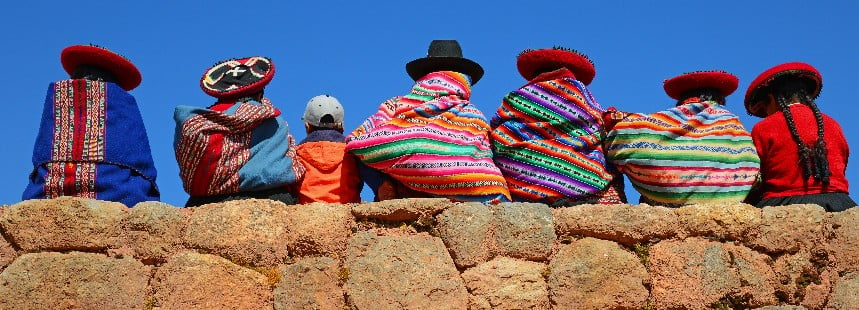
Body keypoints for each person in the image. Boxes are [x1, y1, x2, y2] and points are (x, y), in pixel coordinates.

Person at [345, 40, 510, 203]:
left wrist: (379, 181)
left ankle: (386, 187)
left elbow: (356, 138)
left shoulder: (397, 104)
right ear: (463, 79)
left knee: (359, 145)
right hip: (477, 186)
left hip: (409, 187)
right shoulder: (474, 115)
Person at [23, 44, 160, 207]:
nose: (82, 85)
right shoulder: (124, 110)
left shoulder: (122, 112)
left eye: (92, 80)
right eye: (78, 79)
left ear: (107, 86)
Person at [490, 47, 625, 206]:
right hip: (586, 184)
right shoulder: (583, 98)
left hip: (525, 193)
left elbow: (495, 128)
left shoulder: (518, 99)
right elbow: (603, 123)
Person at [604, 70, 760, 207]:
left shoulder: (660, 124)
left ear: (681, 100)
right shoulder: (734, 127)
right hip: (728, 207)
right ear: (721, 100)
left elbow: (623, 135)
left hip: (663, 211)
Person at [174, 56, 304, 207]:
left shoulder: (193, 124)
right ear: (260, 93)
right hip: (272, 199)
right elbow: (287, 167)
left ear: (220, 93)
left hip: (204, 202)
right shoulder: (273, 121)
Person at [744, 62, 855, 211]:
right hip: (839, 204)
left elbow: (755, 176)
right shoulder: (833, 124)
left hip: (782, 203)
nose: (767, 113)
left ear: (772, 98)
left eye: (765, 107)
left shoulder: (764, 127)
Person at [294, 94, 362, 203]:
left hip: (307, 215)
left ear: (307, 126)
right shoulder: (354, 153)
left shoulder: (296, 154)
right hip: (346, 214)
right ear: (342, 127)